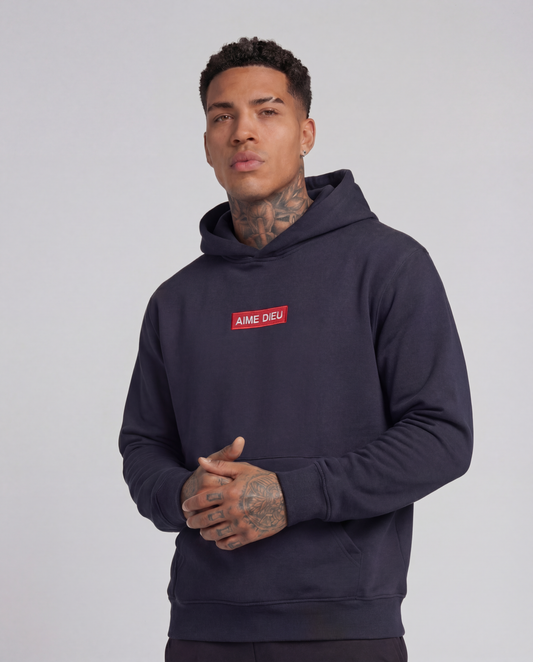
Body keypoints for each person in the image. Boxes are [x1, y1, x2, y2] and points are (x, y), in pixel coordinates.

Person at [119, 37, 473, 662]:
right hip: (204, 626)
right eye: (222, 116)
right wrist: (183, 493)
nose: (242, 131)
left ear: (306, 133)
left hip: (344, 626)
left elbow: (442, 435)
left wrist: (291, 495)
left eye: (267, 111)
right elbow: (143, 445)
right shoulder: (176, 301)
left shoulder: (388, 266)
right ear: (207, 143)